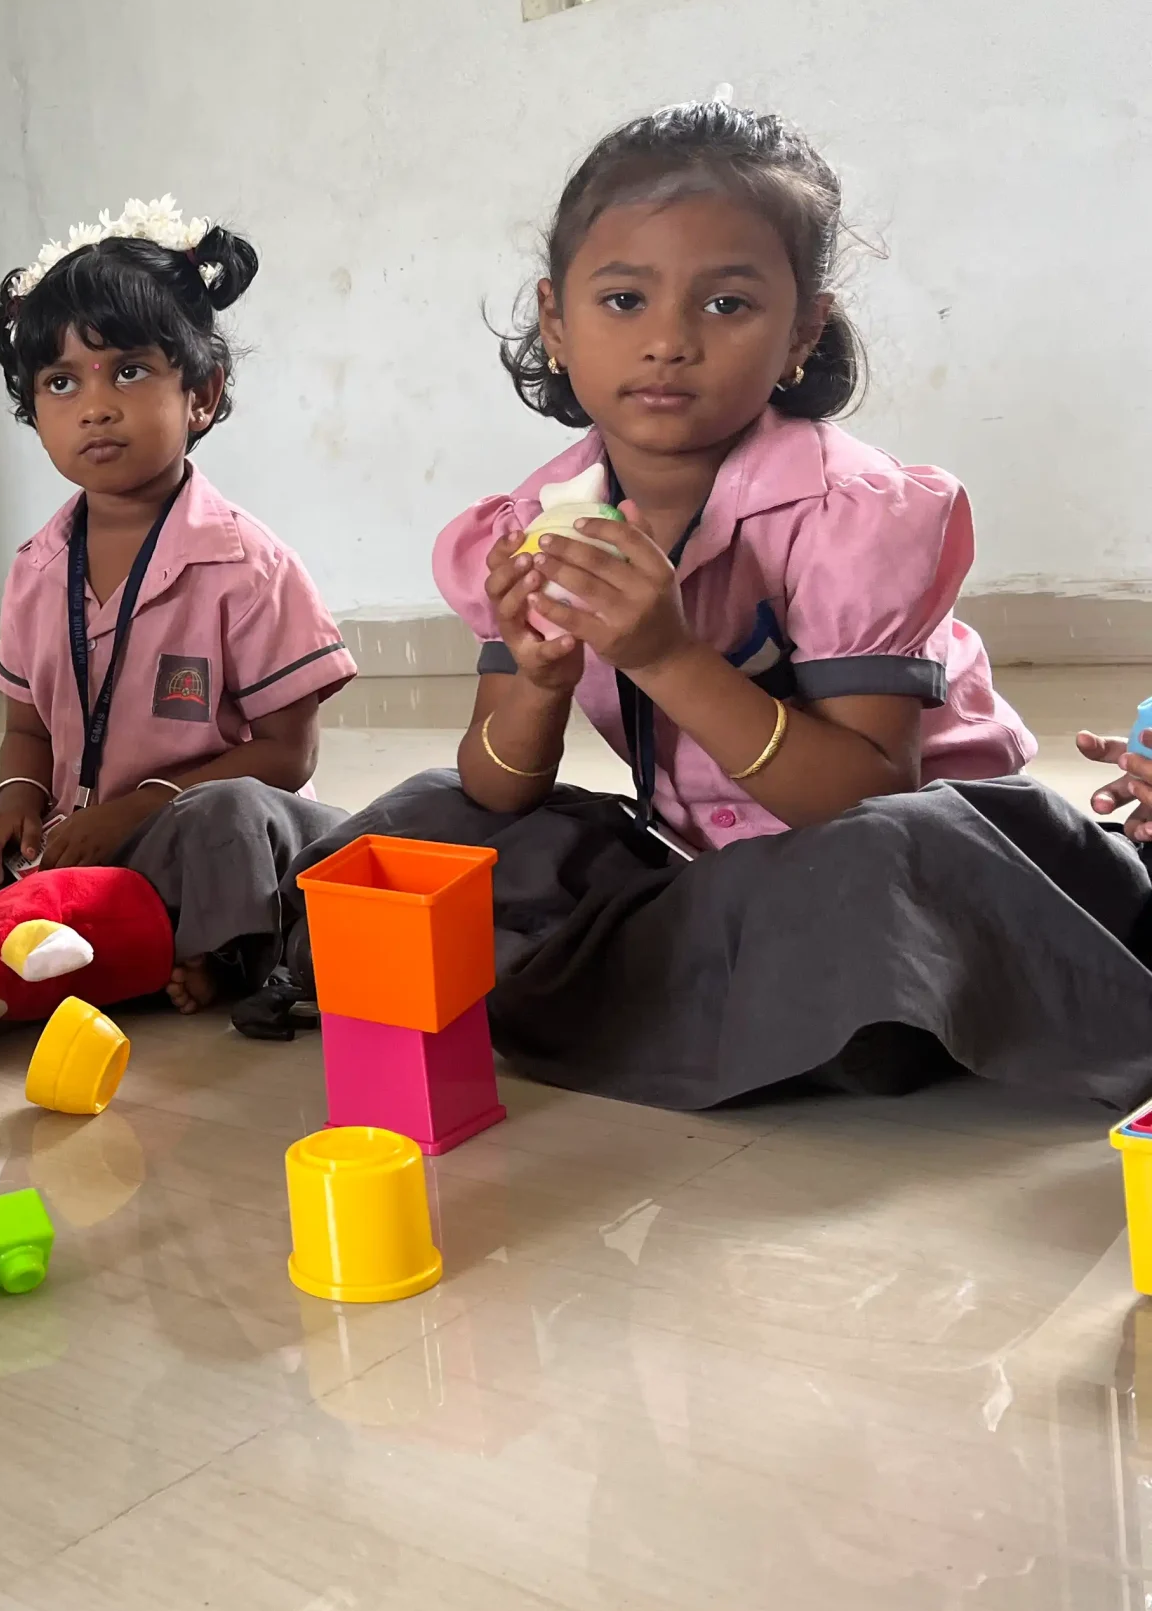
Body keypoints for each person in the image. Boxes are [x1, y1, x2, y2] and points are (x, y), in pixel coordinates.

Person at [267, 101, 1152, 1108]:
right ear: (556, 321)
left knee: (873, 871)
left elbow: (867, 795)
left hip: (928, 856)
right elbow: (499, 785)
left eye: (727, 304)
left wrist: (666, 658)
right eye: (623, 301)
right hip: (728, 867)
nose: (668, 342)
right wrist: (538, 685)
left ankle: (719, 998)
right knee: (433, 820)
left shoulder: (849, 512)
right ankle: (748, 1001)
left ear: (801, 332)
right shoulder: (539, 522)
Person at [0, 199, 357, 1013]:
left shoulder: (248, 566)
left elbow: (289, 754)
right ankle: (106, 942)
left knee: (231, 820)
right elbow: (27, 731)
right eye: (61, 382)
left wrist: (140, 809)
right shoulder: (36, 569)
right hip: (75, 845)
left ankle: (211, 953)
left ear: (202, 394)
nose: (95, 405)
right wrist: (15, 807)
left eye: (129, 371)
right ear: (35, 411)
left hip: (189, 843)